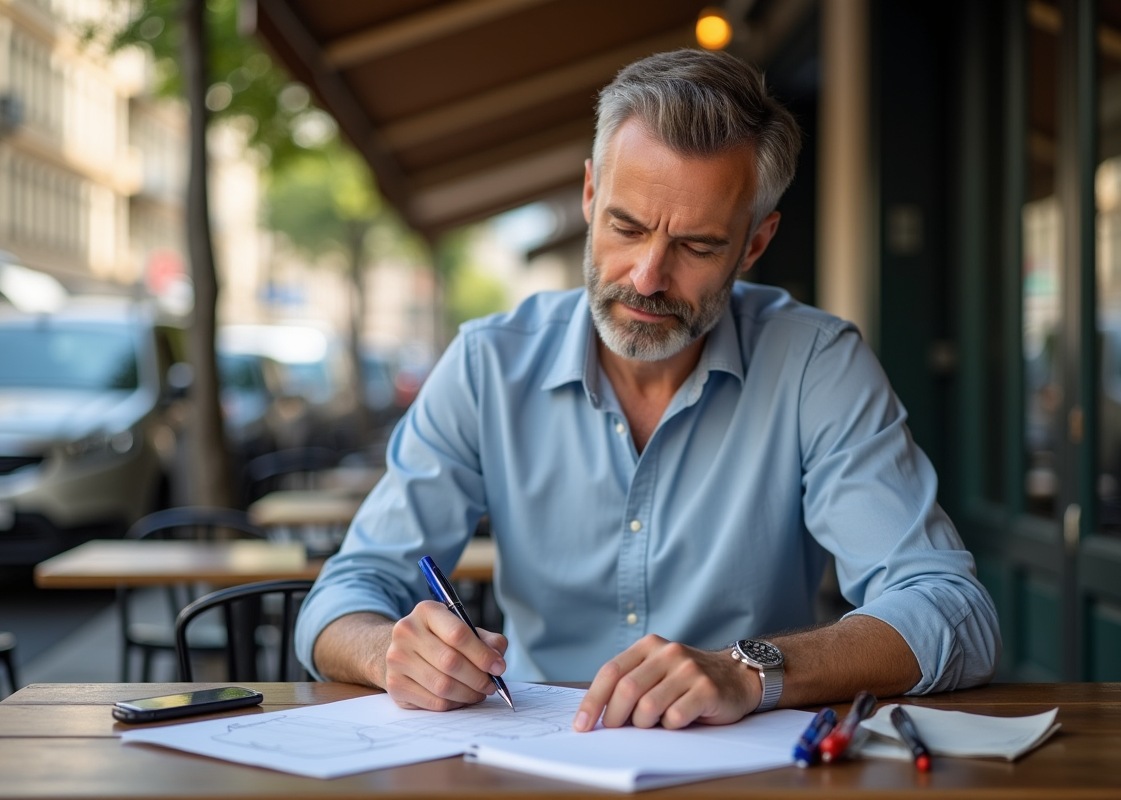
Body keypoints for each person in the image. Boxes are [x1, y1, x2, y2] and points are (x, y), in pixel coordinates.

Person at [295, 48, 1000, 732]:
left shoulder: (816, 363)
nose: (646, 277)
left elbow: (951, 610)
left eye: (696, 246)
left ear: (755, 244)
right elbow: (343, 597)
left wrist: (751, 669)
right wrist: (392, 652)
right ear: (590, 194)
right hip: (533, 759)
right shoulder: (487, 363)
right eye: (625, 227)